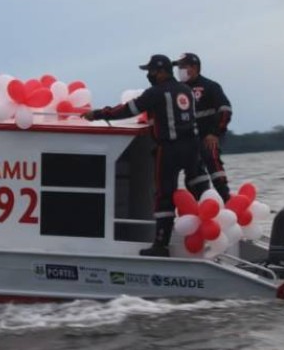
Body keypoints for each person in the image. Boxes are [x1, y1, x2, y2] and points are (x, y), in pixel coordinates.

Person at [83, 54, 209, 257]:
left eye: (151, 71)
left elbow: (127, 110)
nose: (149, 76)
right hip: (193, 147)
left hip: (169, 149)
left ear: (160, 72)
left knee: (164, 195)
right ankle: (210, 235)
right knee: (198, 187)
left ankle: (161, 244)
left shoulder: (157, 92)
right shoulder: (186, 90)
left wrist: (98, 114)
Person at [173, 53, 233, 202]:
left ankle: (226, 199)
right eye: (178, 67)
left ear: (194, 67)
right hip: (188, 139)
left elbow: (225, 110)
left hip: (209, 136)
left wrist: (215, 133)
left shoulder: (210, 86)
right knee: (193, 171)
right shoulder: (178, 90)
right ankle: (202, 201)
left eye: (183, 67)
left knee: (211, 159)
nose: (180, 70)